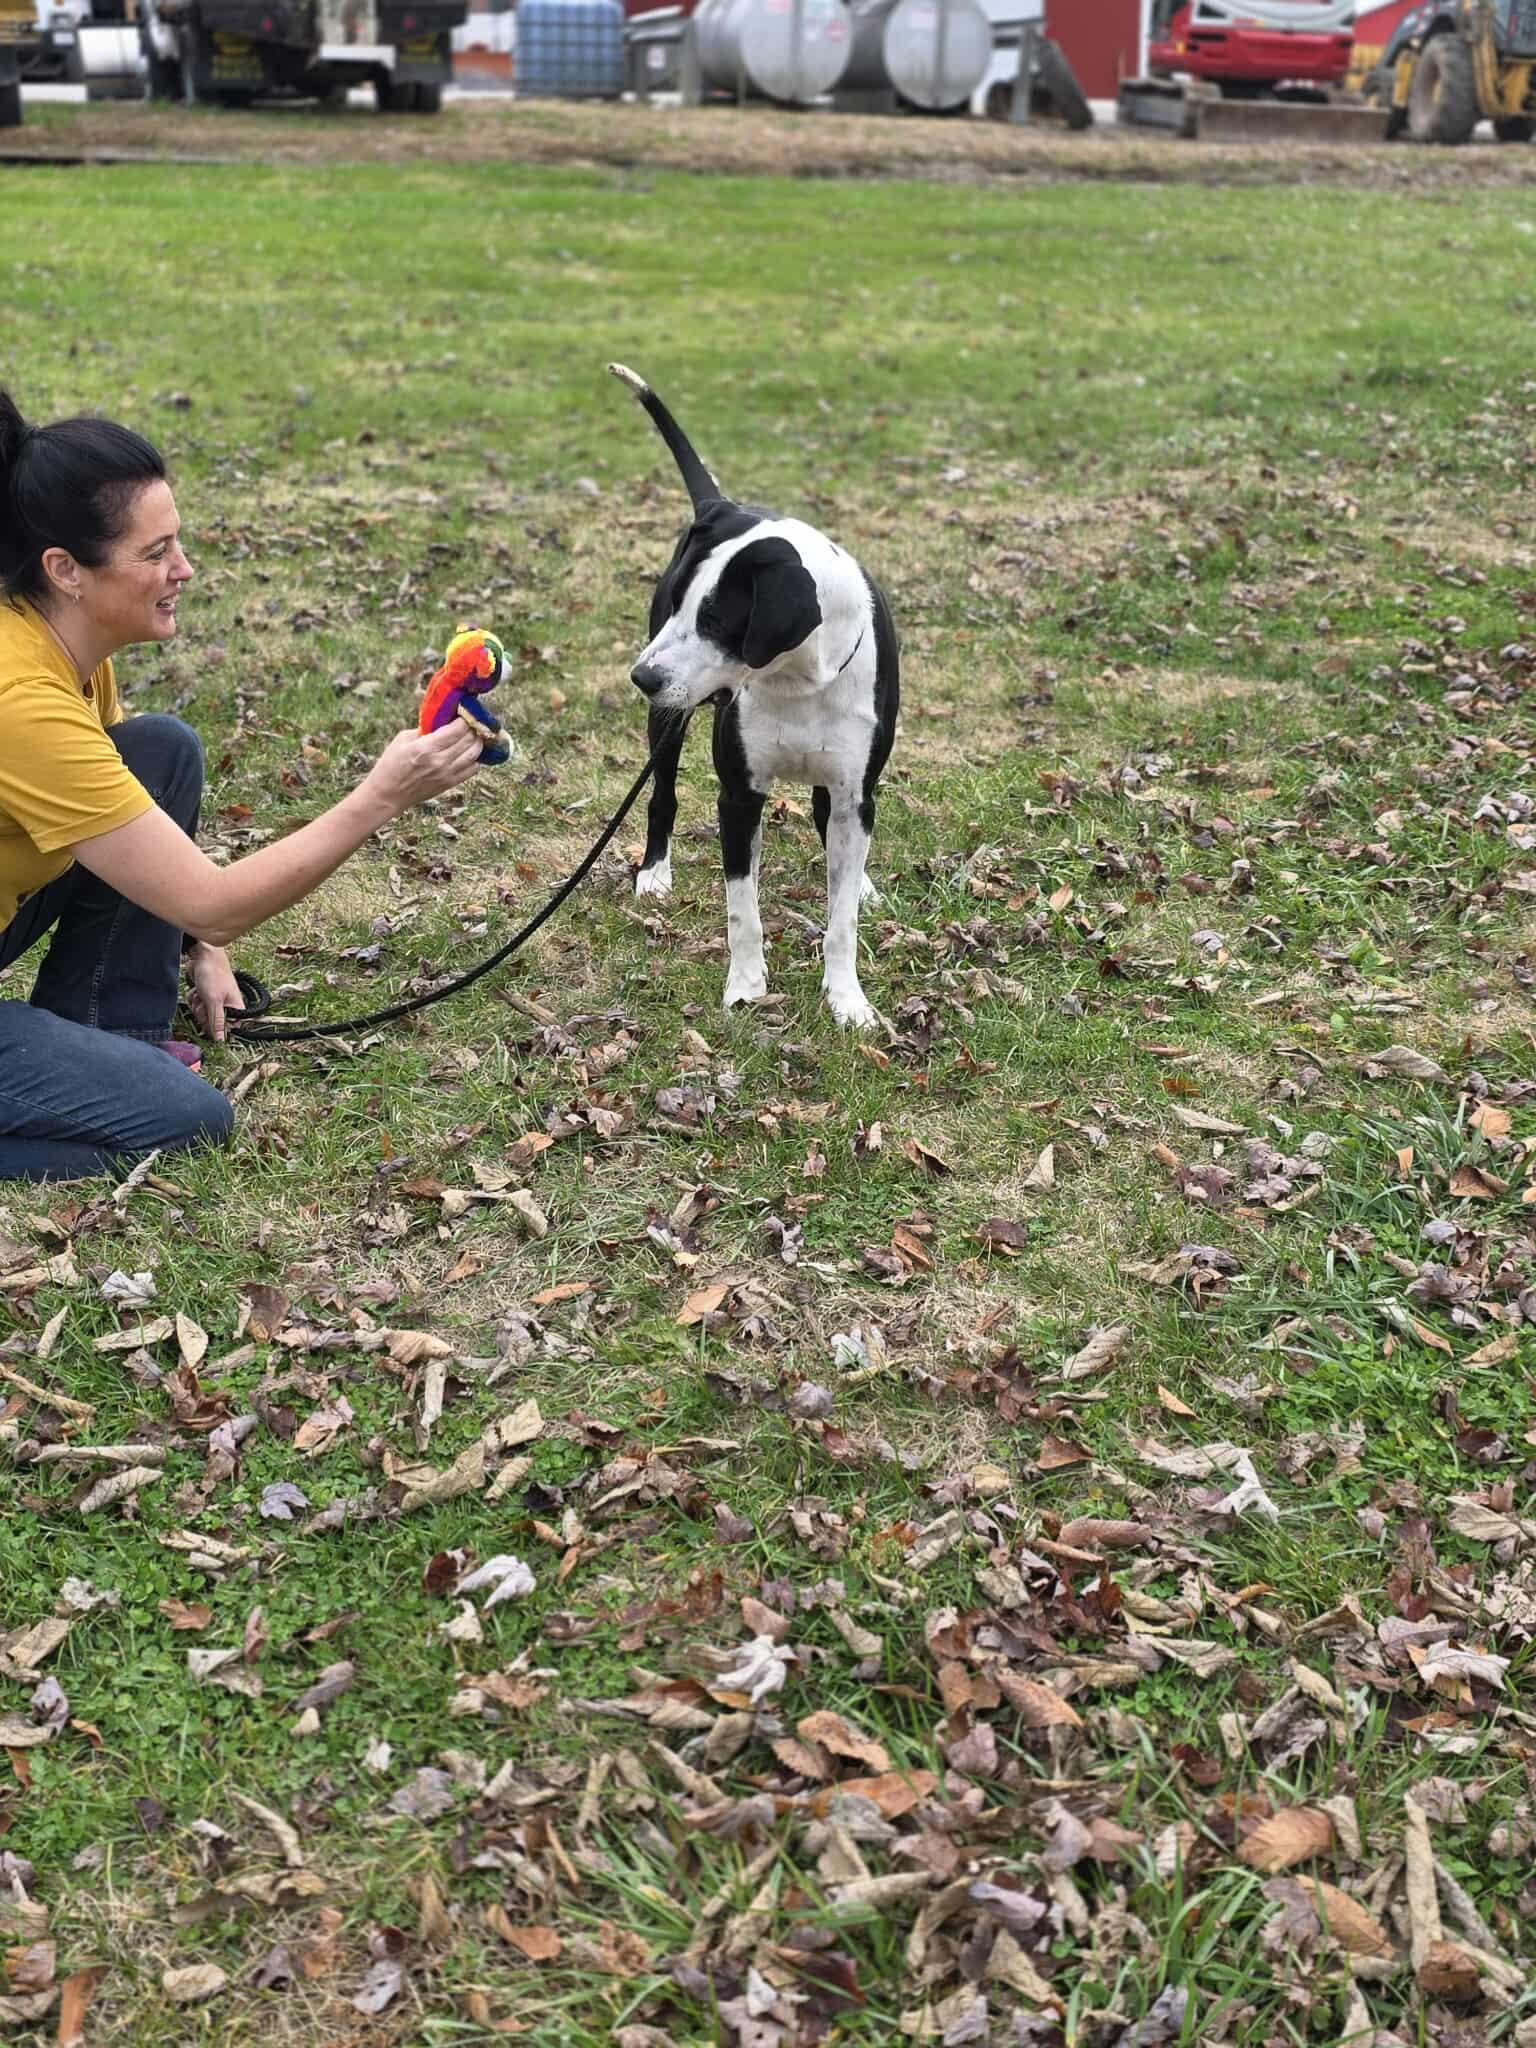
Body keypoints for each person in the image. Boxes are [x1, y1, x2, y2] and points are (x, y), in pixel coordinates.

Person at [0, 390, 485, 1183]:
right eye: (155, 553)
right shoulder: (19, 697)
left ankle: (108, 1033)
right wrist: (380, 797)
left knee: (158, 750)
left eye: (177, 543)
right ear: (66, 570)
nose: (183, 569)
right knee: (185, 1119)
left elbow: (142, 851)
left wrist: (206, 949)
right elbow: (213, 898)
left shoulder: (62, 644)